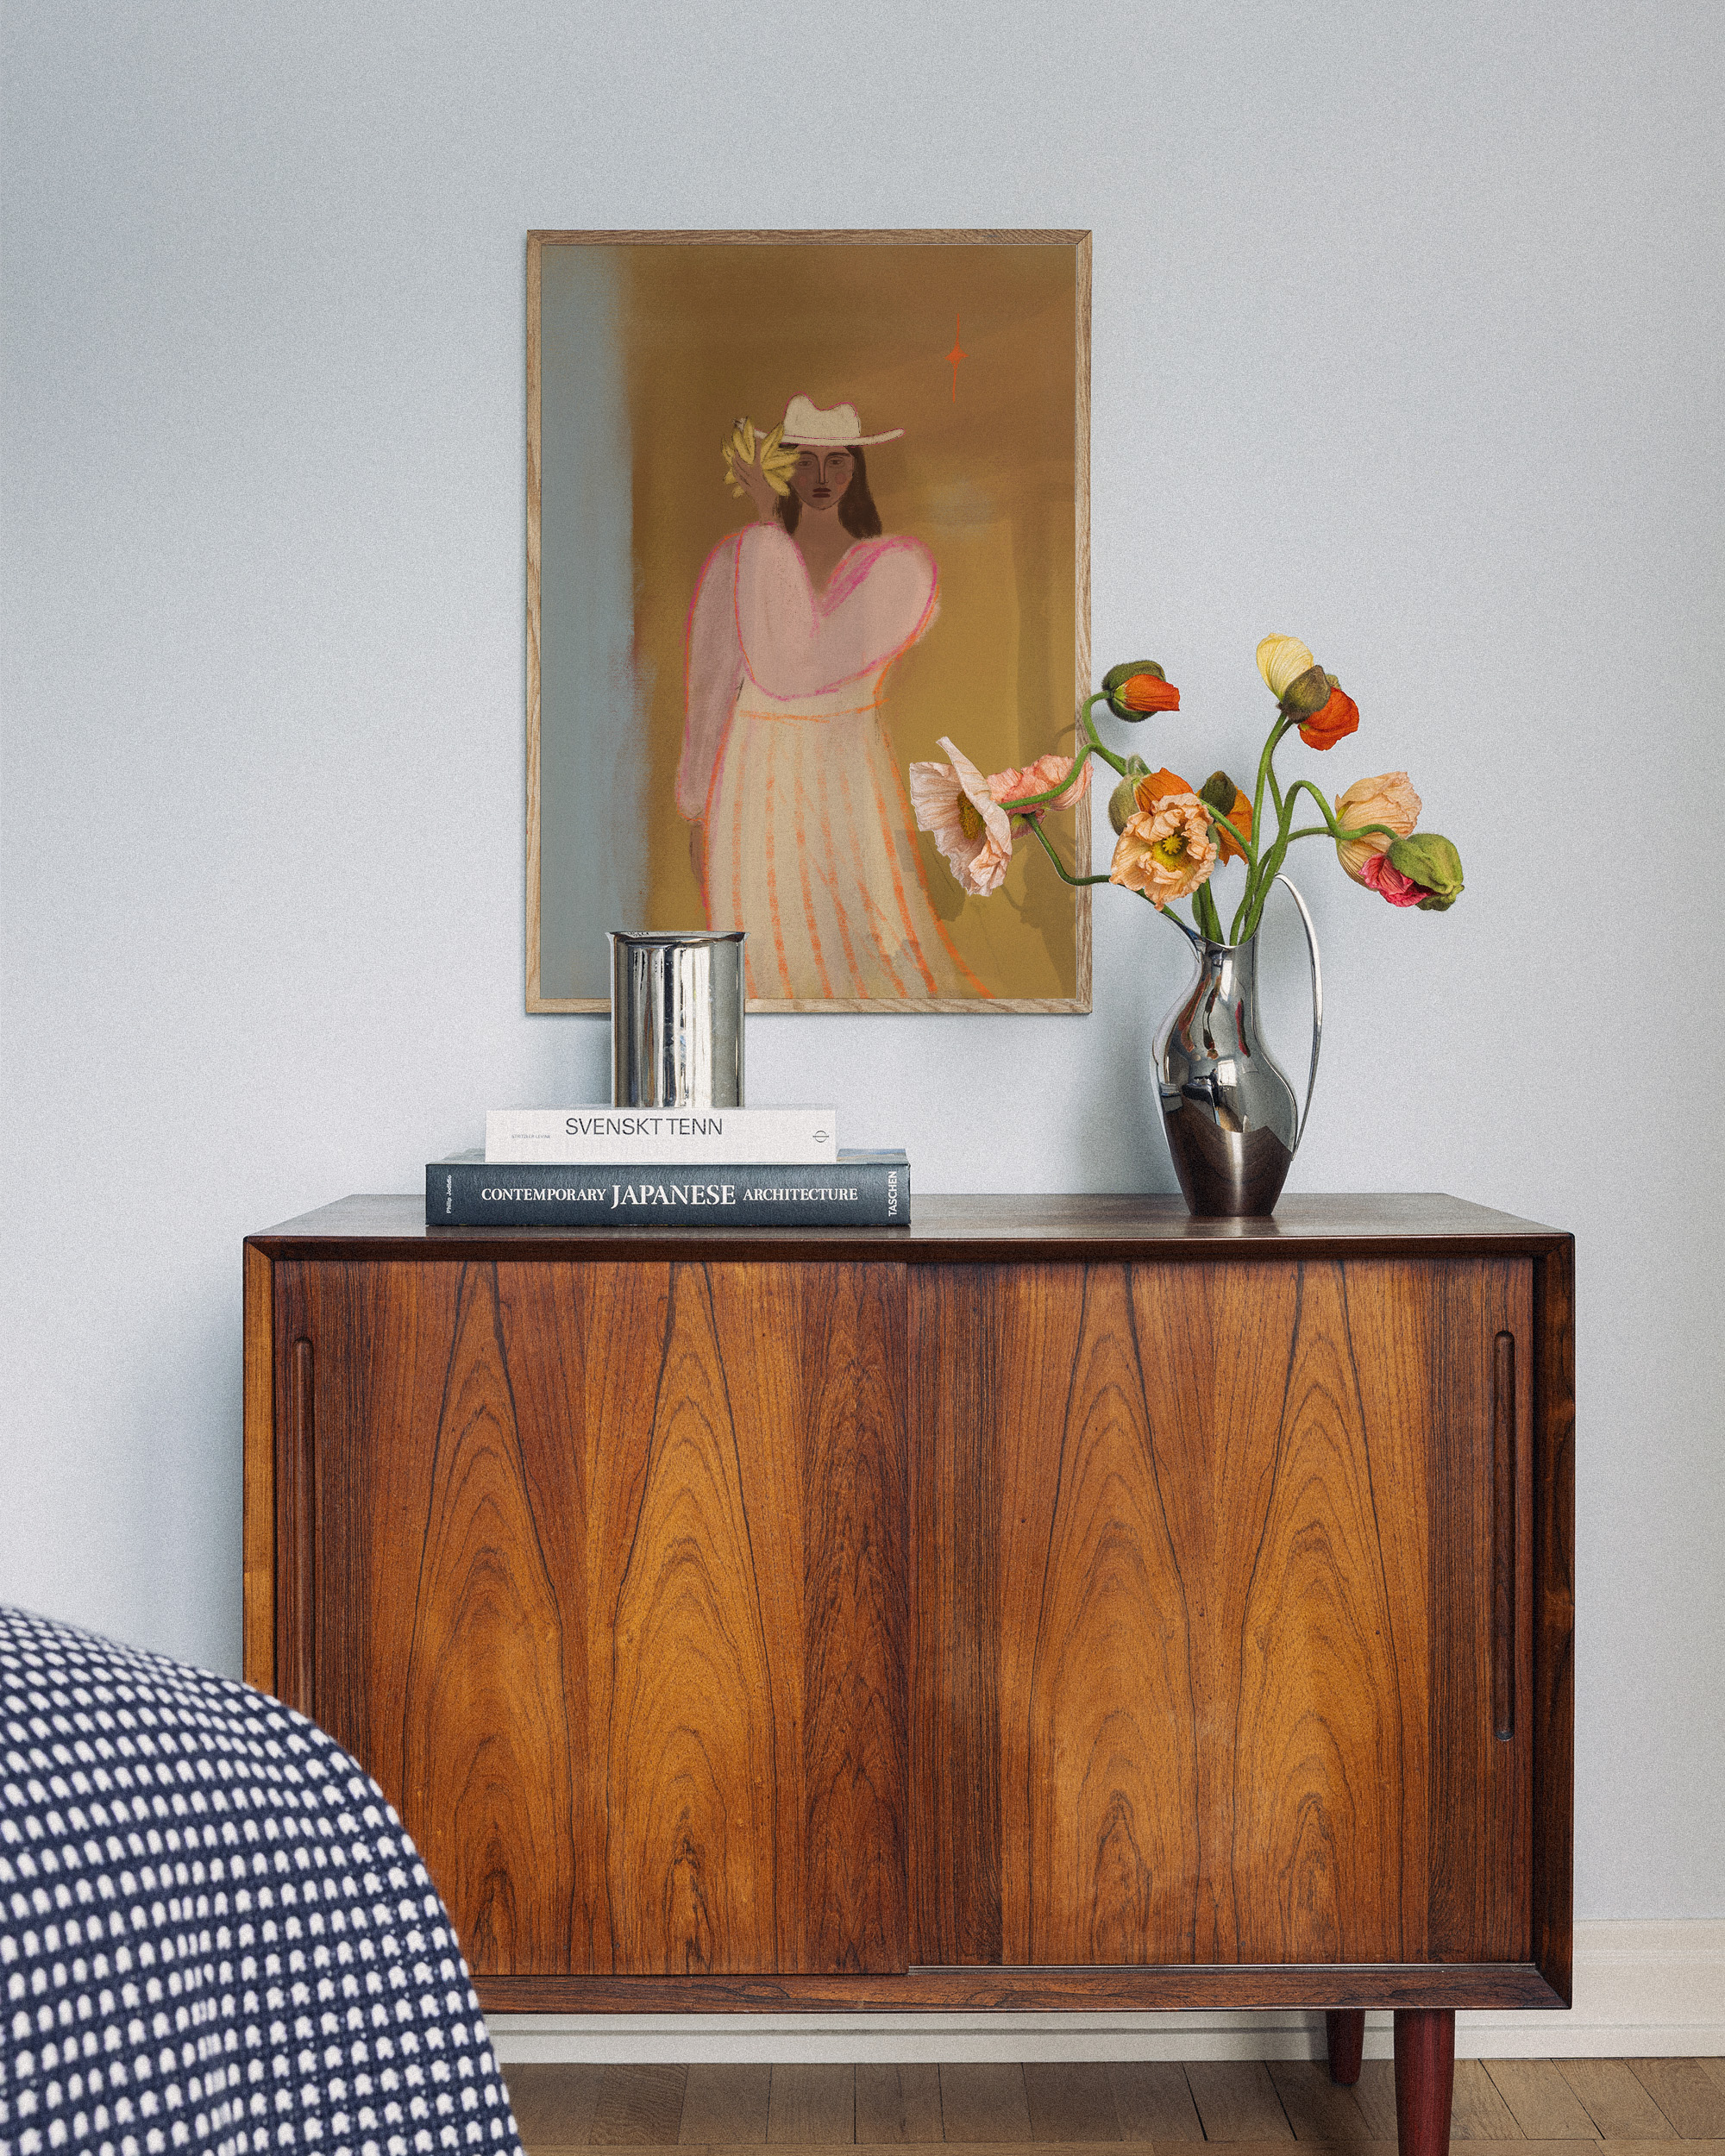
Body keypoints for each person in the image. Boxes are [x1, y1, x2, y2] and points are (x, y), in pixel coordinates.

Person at [677, 394, 983, 1000]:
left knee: (863, 942)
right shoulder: (739, 557)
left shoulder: (898, 568)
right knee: (767, 944)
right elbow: (711, 684)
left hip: (845, 776)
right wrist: (696, 804)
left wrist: (767, 525)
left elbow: (792, 667)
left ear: (856, 470)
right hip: (753, 778)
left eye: (837, 461)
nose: (821, 477)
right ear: (780, 466)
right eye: (804, 460)